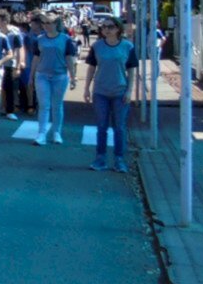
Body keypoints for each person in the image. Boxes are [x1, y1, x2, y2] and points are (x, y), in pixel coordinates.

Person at [84, 15, 138, 172]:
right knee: (101, 126)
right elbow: (91, 68)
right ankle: (100, 158)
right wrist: (87, 88)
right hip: (100, 91)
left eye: (110, 27)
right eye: (104, 27)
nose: (106, 30)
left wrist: (130, 90)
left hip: (120, 92)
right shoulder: (97, 46)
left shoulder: (127, 47)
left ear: (118, 29)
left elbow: (132, 70)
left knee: (119, 127)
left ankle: (119, 160)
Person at [29, 11, 79, 146]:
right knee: (44, 105)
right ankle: (41, 134)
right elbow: (35, 58)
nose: (46, 25)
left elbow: (69, 58)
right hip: (42, 75)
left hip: (60, 76)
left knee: (57, 105)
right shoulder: (39, 39)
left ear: (57, 24)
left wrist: (73, 77)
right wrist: (31, 76)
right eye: (44, 23)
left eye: (49, 23)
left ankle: (57, 132)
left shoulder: (66, 39)